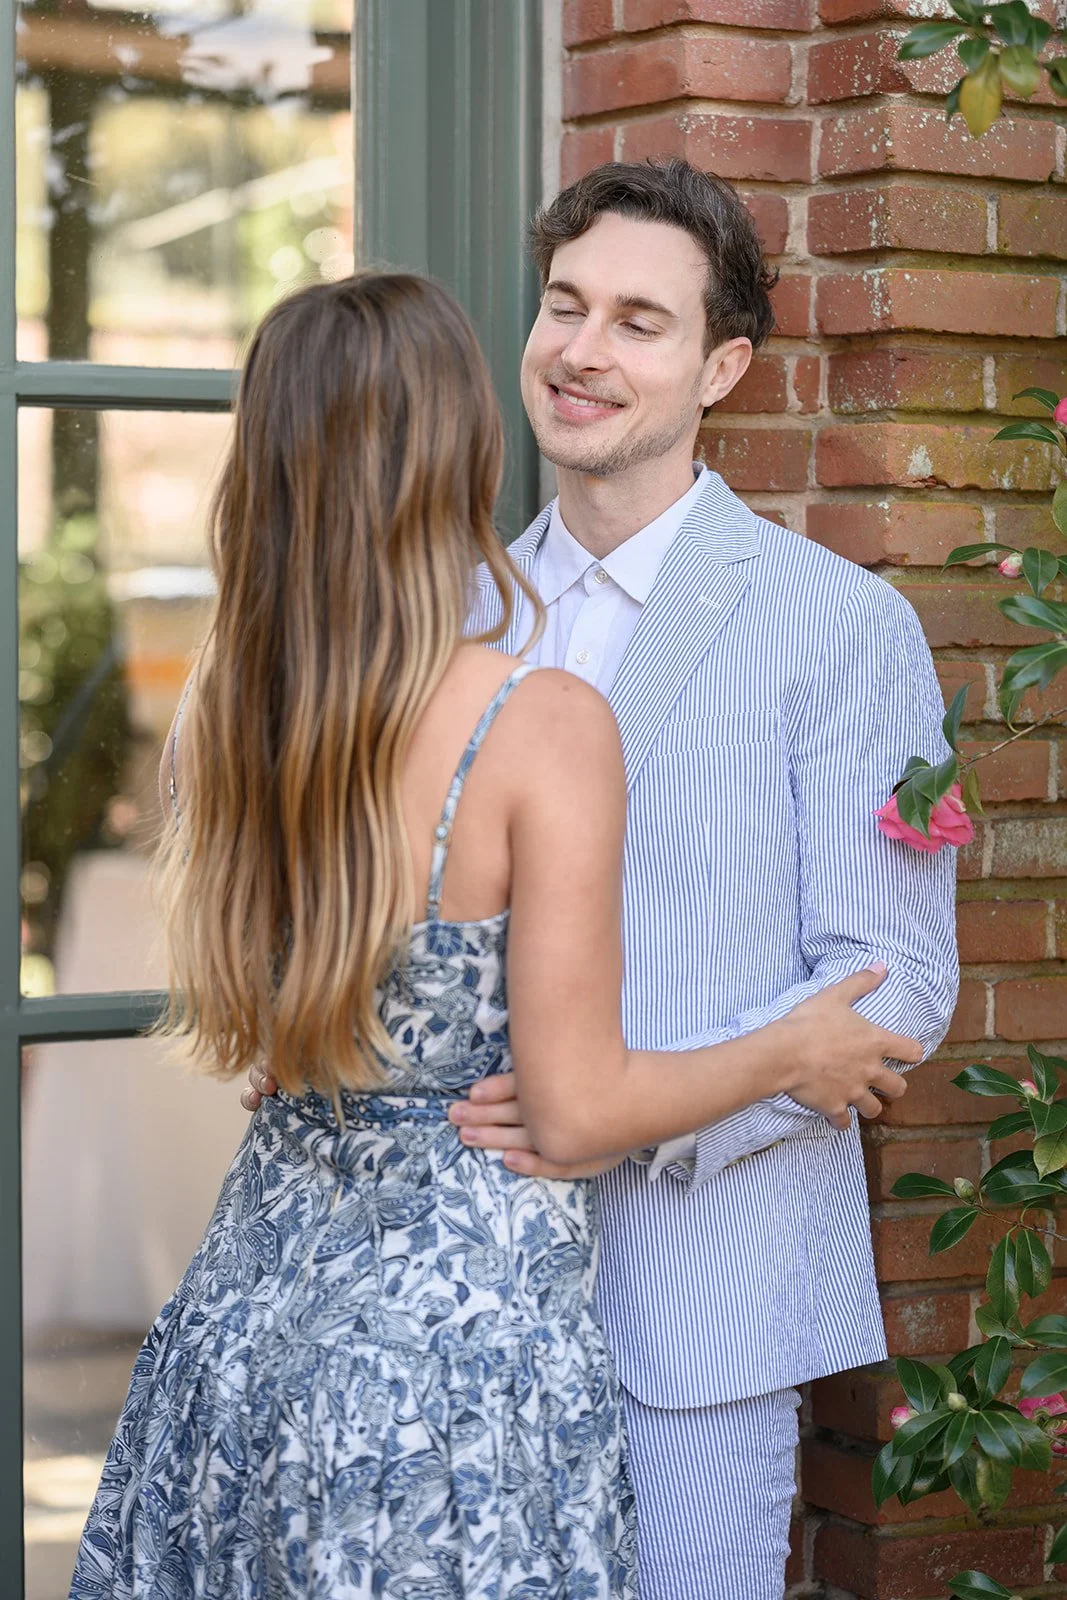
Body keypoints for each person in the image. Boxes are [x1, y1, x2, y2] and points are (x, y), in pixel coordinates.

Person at [70, 271, 921, 1600]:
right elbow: (574, 1114)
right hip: (446, 1372)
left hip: (239, 1337)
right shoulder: (533, 723)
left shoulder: (219, 725)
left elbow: (280, 1037)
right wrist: (789, 1050)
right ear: (455, 451)